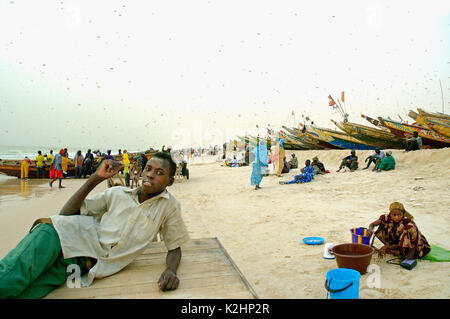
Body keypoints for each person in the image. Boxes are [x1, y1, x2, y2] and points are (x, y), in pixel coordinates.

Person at [0, 152, 190, 299]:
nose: (150, 175)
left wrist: (170, 270)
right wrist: (95, 178)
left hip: (81, 264)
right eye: (148, 168)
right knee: (7, 281)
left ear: (170, 181)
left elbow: (174, 247)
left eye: (159, 173)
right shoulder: (117, 193)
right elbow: (66, 214)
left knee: (28, 293)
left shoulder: (169, 206)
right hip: (57, 237)